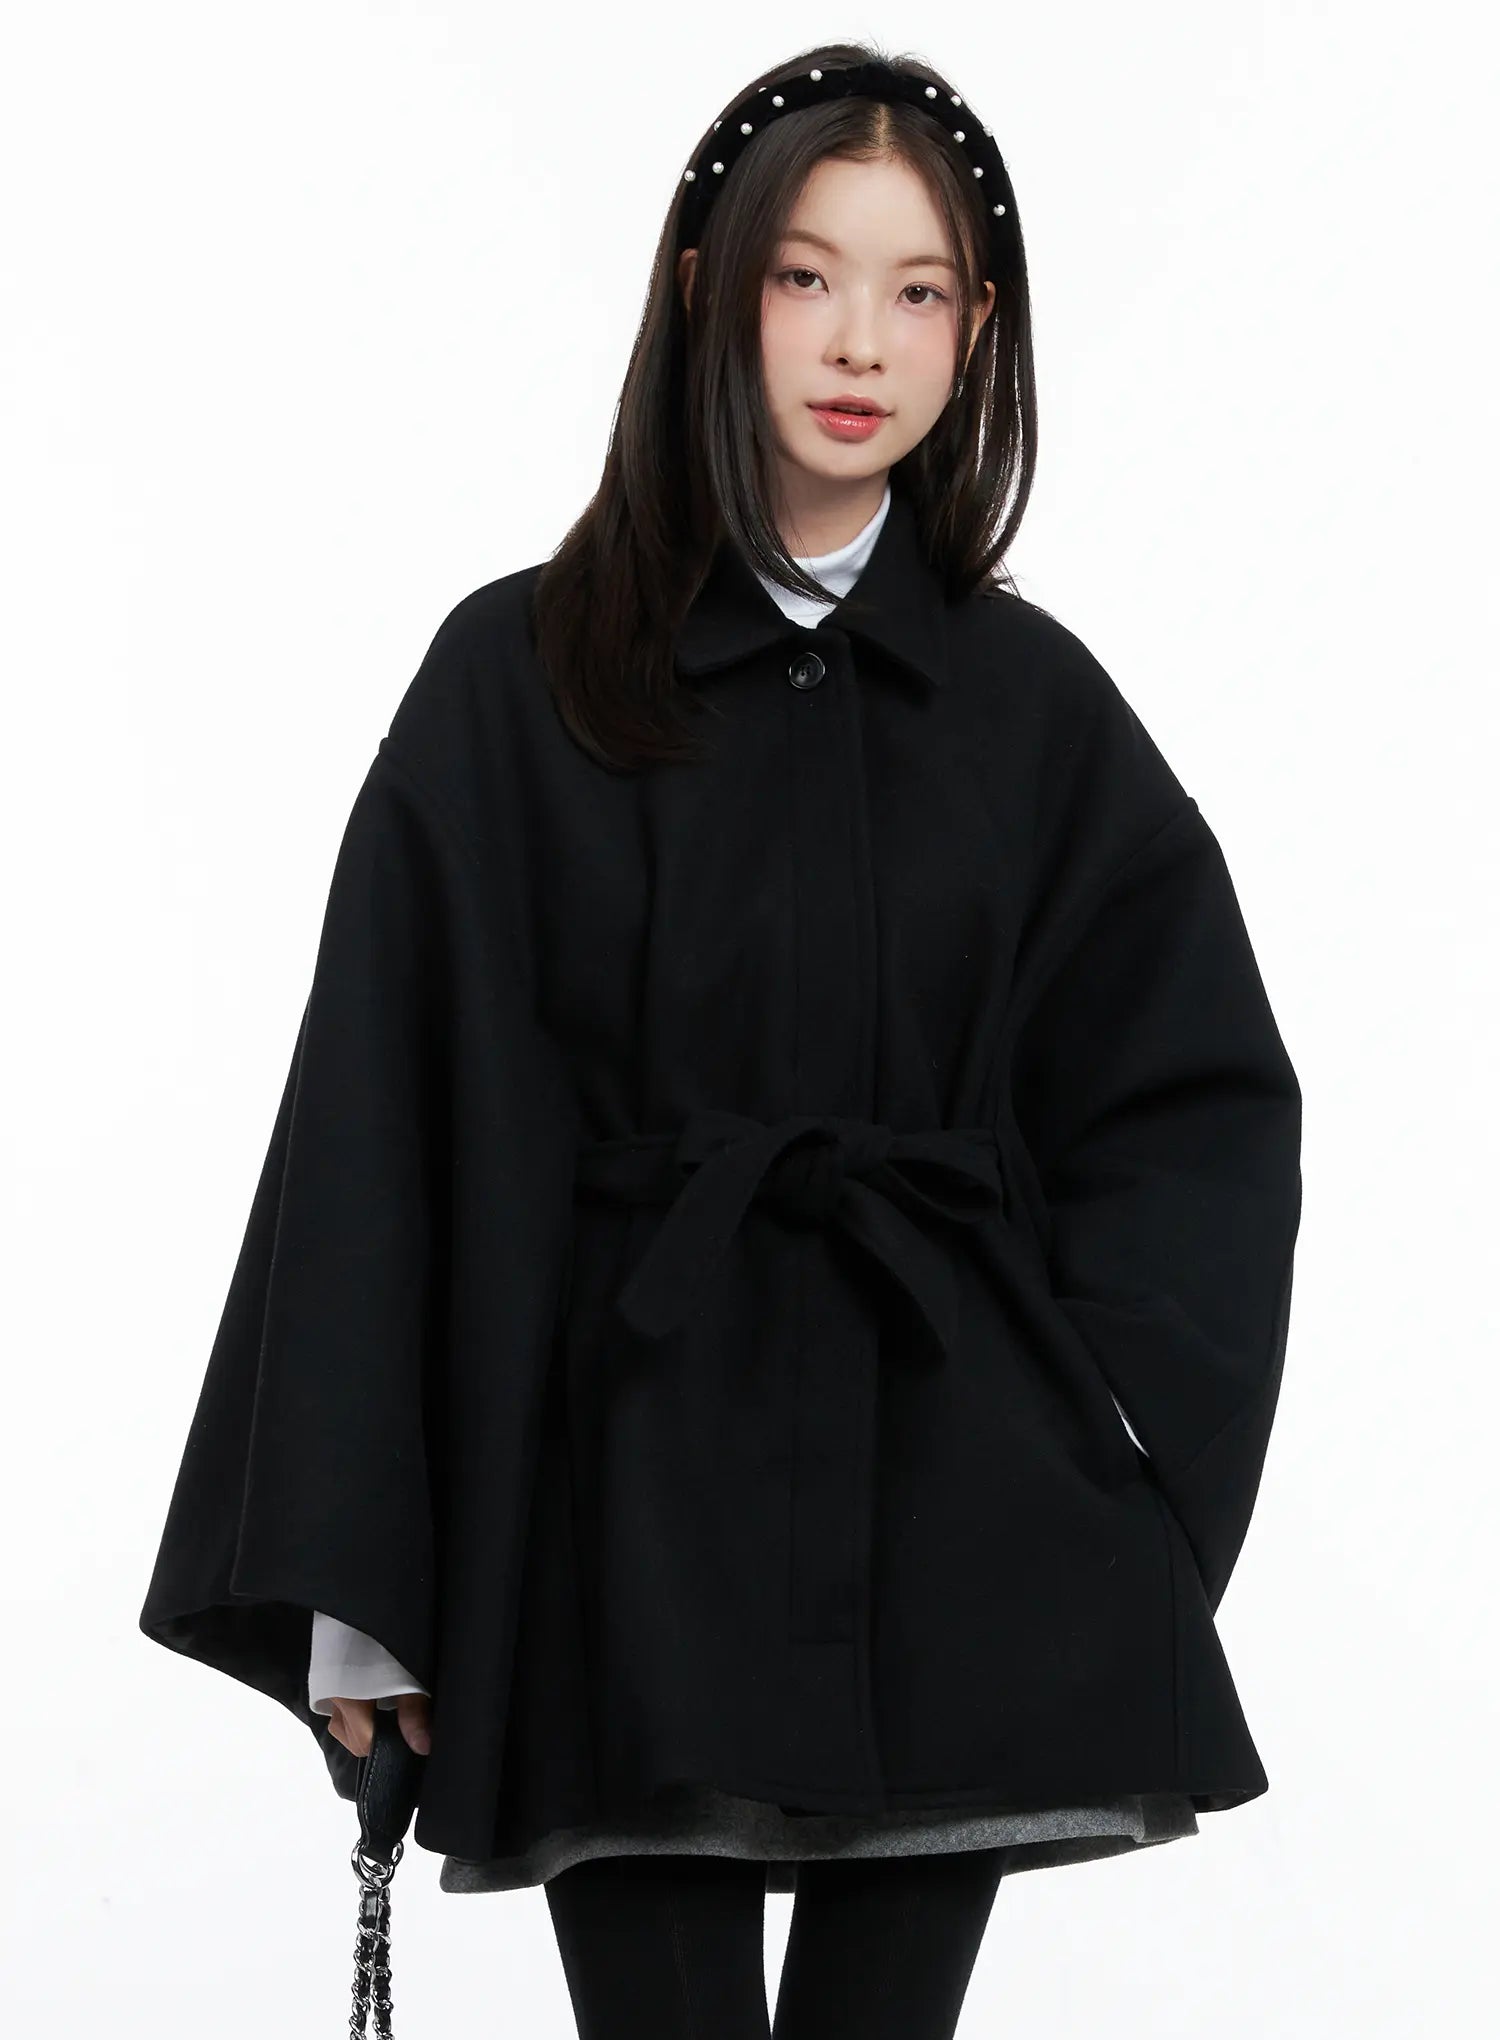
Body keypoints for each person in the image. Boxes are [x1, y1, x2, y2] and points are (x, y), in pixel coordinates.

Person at [139, 39, 1303, 2040]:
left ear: (978, 332)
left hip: (955, 1500)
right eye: (806, 276)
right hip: (620, 1501)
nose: (861, 342)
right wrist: (363, 1588)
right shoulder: (517, 675)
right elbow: (379, 1123)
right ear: (707, 289)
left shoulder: (1034, 709)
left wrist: (1120, 1441)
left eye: (920, 291)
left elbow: (1193, 1096)